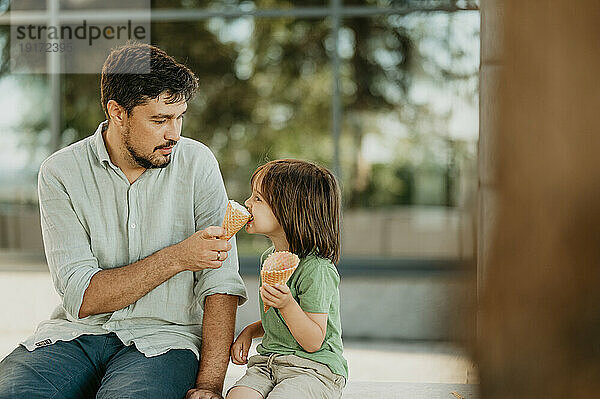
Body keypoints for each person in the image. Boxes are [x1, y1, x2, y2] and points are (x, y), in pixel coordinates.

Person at [0, 43, 247, 399]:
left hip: (165, 341)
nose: (174, 133)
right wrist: (177, 257)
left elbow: (220, 283)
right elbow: (82, 297)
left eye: (179, 117)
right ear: (117, 112)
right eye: (159, 120)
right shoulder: (60, 172)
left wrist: (209, 385)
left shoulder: (197, 163)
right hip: (74, 335)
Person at [227, 159, 348, 399]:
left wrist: (287, 304)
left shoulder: (317, 269)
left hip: (313, 368)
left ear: (290, 209)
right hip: (268, 364)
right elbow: (280, 321)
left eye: (258, 199)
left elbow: (313, 340)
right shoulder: (269, 259)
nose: (247, 203)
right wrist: (250, 331)